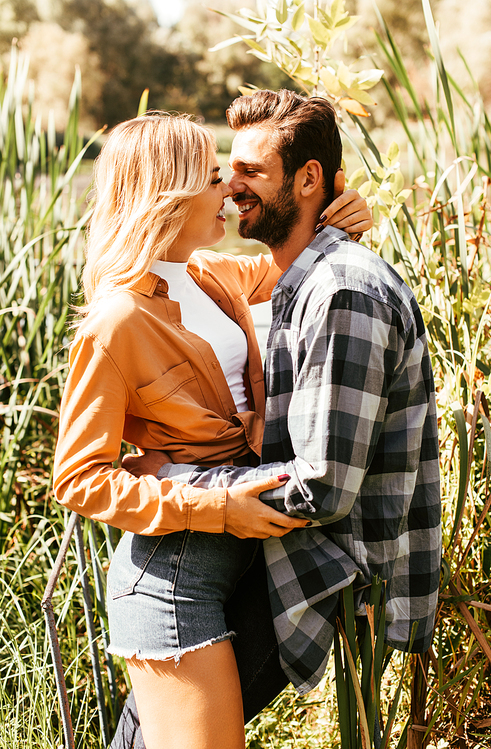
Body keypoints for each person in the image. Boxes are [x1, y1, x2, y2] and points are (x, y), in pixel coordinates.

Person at [122, 88, 442, 738]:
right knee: (147, 729)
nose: (228, 186)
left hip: (313, 568)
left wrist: (184, 483)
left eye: (249, 172)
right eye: (225, 170)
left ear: (308, 179)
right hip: (267, 551)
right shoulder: (289, 274)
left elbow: (323, 485)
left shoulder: (343, 290)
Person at [53, 110, 372, 749]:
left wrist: (345, 211)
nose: (227, 187)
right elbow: (78, 480)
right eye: (209, 175)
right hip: (174, 577)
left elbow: (306, 258)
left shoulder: (213, 277)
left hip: (236, 561)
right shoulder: (116, 322)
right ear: (166, 194)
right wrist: (218, 506)